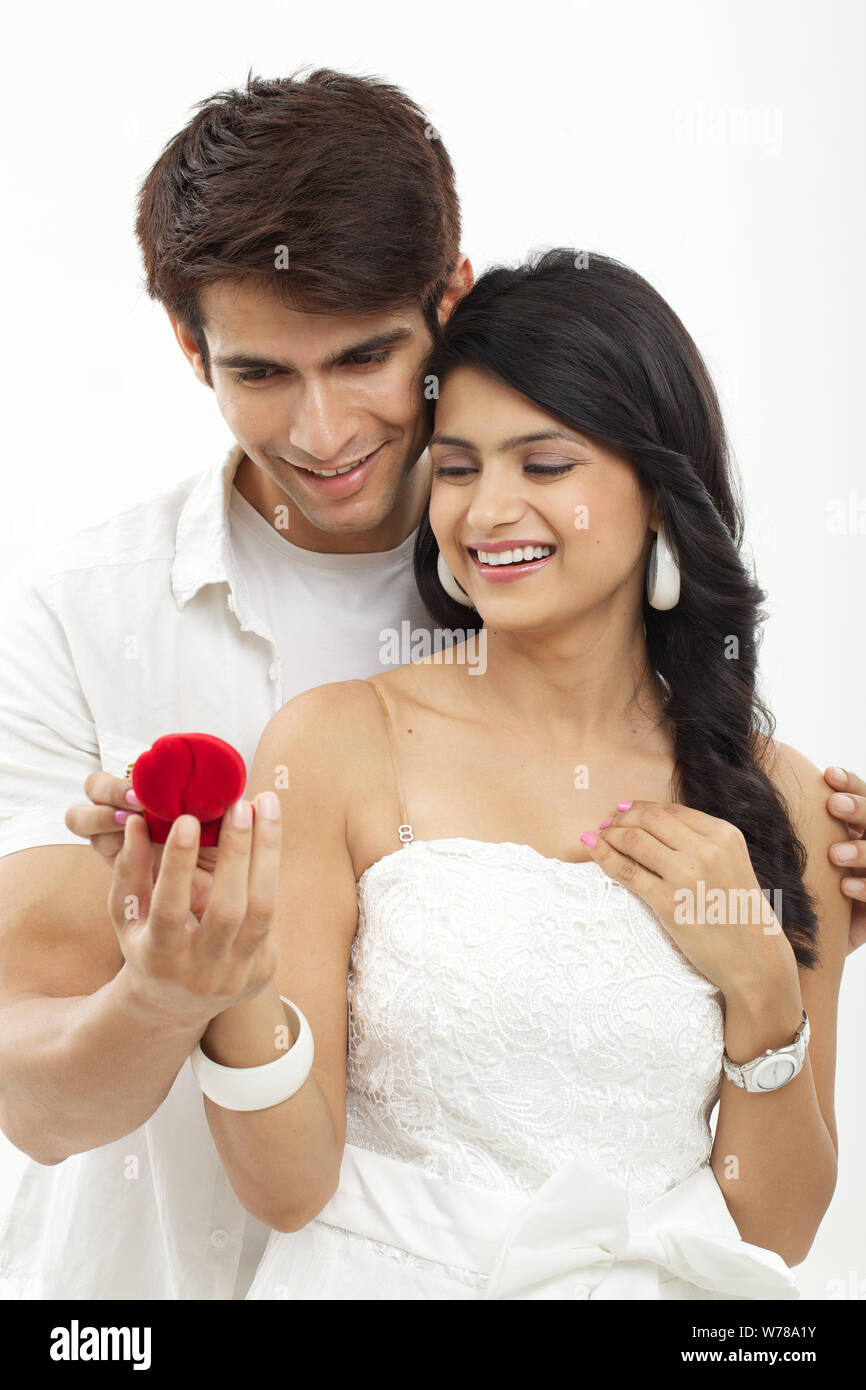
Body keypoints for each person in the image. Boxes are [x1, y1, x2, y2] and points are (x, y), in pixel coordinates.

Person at [0, 71, 862, 1302]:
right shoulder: (90, 618)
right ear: (191, 350)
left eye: (365, 356)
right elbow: (34, 1088)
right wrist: (174, 987)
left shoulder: (726, 754)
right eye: (259, 374)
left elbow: (773, 1226)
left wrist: (771, 968)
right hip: (149, 1282)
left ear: (445, 303)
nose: (322, 429)